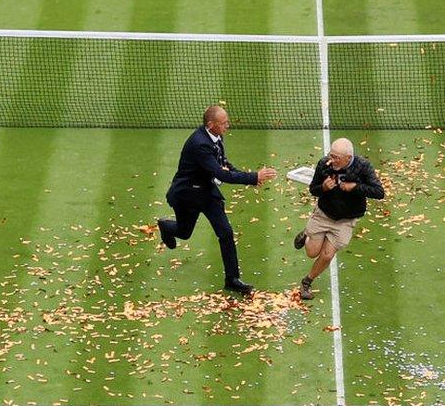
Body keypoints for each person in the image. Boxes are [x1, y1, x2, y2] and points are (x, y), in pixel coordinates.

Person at [157, 105, 277, 294]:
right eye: (223, 123)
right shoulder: (200, 144)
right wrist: (253, 177)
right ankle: (165, 226)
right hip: (187, 195)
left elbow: (224, 164)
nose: (227, 126)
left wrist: (251, 179)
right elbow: (221, 174)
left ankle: (232, 279)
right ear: (211, 124)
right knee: (184, 232)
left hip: (207, 194)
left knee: (226, 233)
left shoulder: (216, 136)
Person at [293, 138, 384, 300]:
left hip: (346, 220)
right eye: (331, 155)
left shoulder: (363, 167)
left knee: (327, 255)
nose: (332, 160)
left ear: (348, 158)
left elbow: (378, 192)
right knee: (312, 252)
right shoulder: (324, 164)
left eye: (336, 157)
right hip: (324, 214)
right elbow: (313, 189)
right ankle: (307, 235)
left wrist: (355, 187)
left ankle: (307, 281)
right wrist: (323, 187)